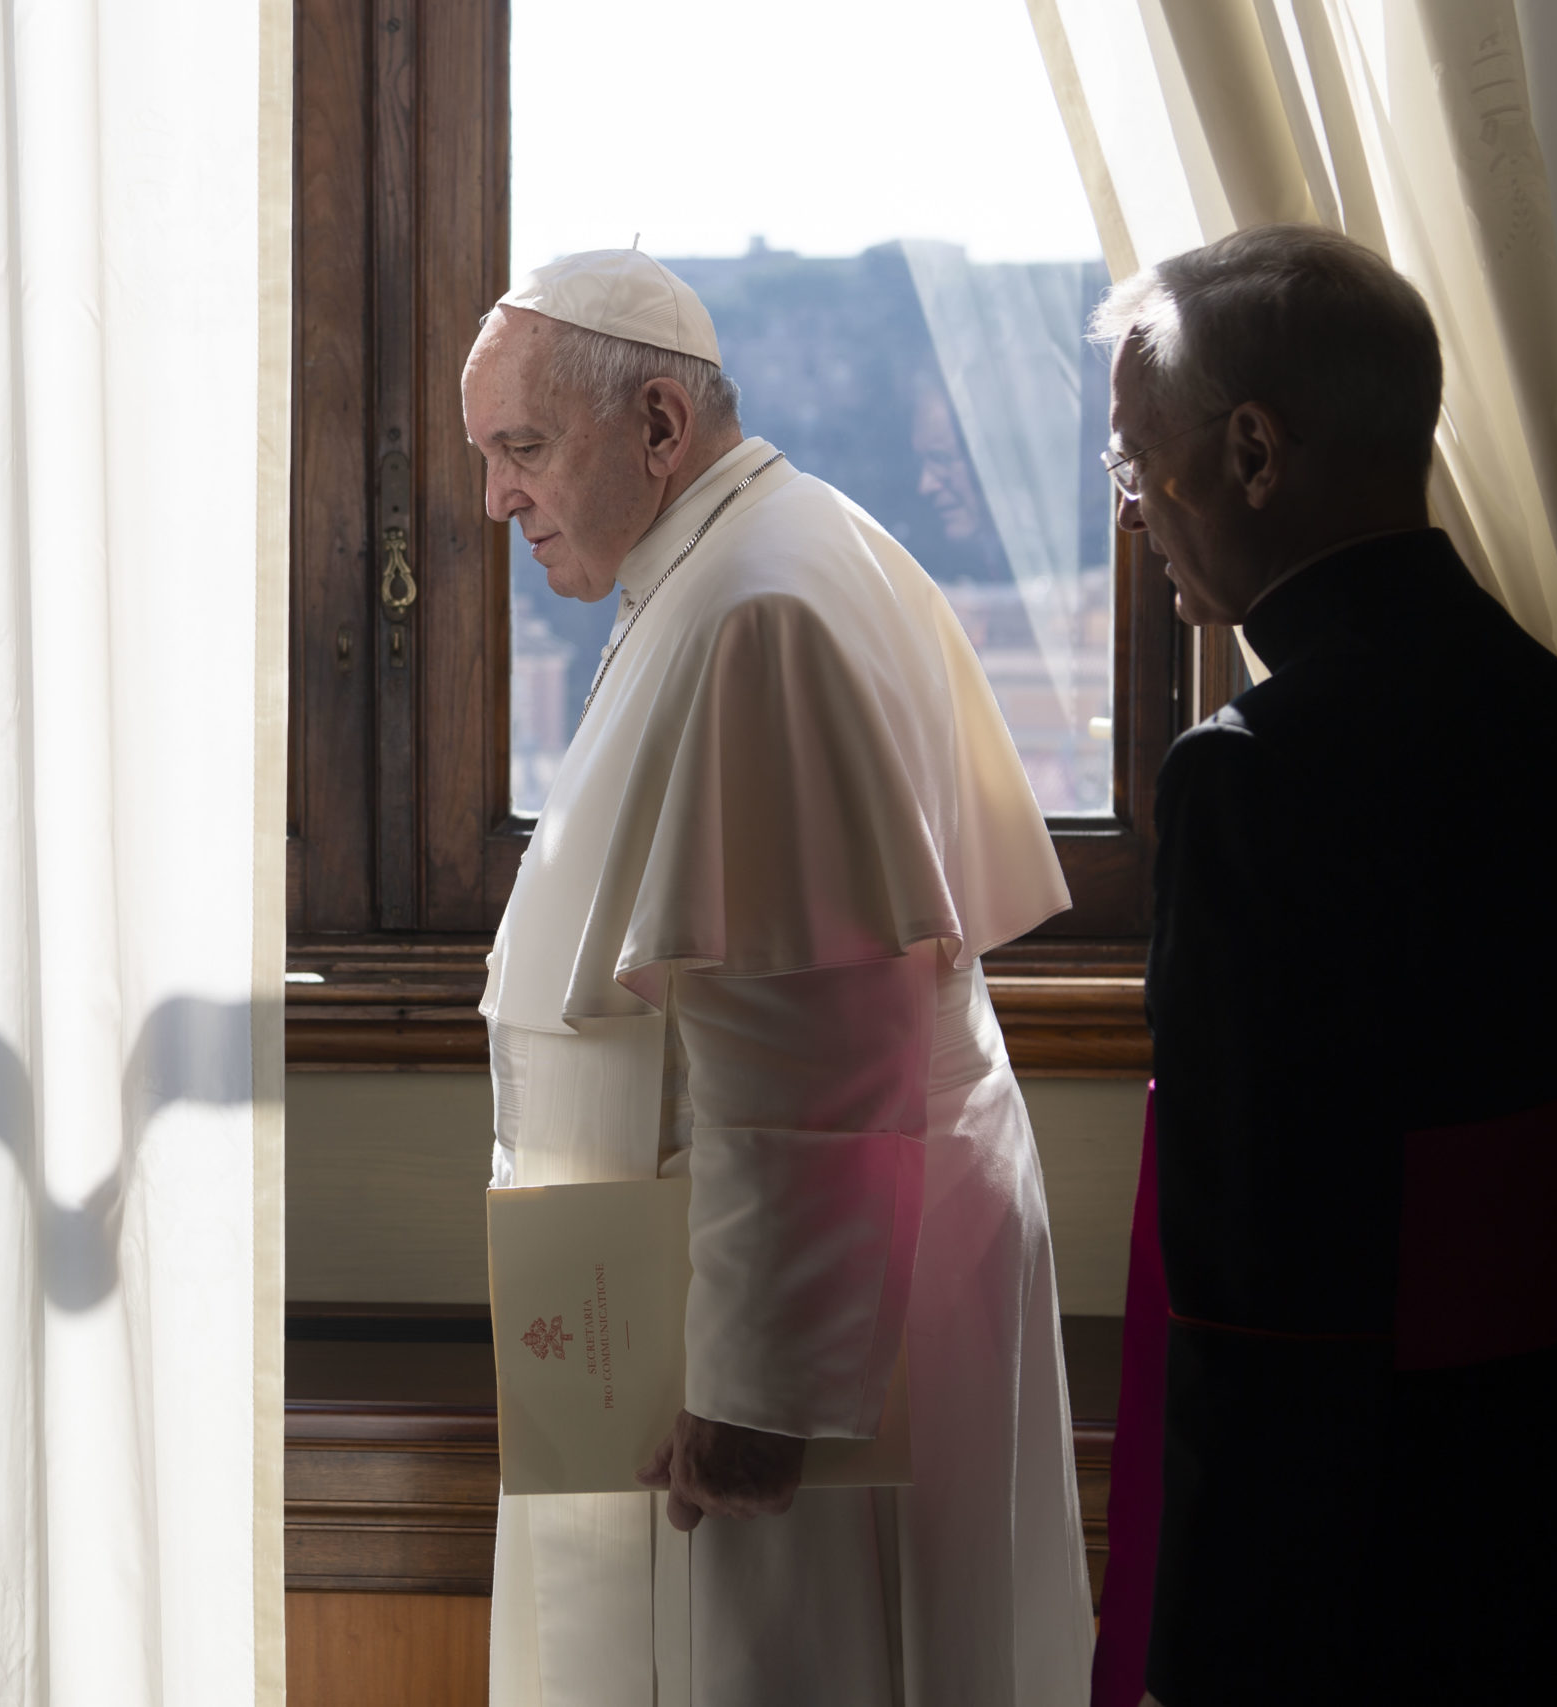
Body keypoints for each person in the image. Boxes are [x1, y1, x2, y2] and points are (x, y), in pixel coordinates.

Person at [465, 248, 1095, 1706]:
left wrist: (758, 1394)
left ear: (660, 424)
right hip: (783, 1286)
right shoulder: (776, 549)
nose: (496, 498)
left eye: (525, 449)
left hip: (788, 1334)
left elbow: (813, 1036)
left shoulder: (756, 604)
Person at [1099, 224, 1557, 1705]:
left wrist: (1198, 1656)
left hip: (1353, 1549)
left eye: (1138, 458)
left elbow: (1254, 1283)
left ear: (1252, 452)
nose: (1134, 507)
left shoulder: (1252, 779)